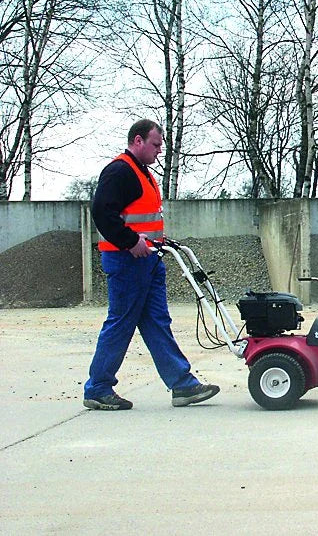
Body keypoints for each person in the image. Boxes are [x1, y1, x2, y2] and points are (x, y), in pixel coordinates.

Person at [83, 119, 219, 410]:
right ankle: (98, 387)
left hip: (148, 259)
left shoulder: (143, 173)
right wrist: (130, 242)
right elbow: (102, 212)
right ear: (137, 141)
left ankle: (182, 385)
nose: (159, 151)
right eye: (156, 145)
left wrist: (157, 238)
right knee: (121, 322)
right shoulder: (120, 171)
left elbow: (141, 215)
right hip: (127, 261)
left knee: (157, 322)